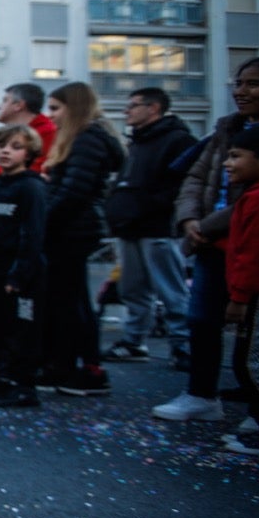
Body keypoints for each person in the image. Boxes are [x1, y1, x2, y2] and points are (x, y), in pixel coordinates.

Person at [158, 58, 259, 422]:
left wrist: (209, 223)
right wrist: (189, 220)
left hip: (246, 241)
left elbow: (251, 203)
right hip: (210, 243)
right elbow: (197, 177)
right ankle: (201, 394)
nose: (241, 91)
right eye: (239, 82)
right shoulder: (225, 129)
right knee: (202, 319)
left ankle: (254, 404)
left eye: (253, 84)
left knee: (252, 332)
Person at [40, 82, 125, 397]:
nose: (51, 117)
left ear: (73, 108)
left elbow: (74, 192)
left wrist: (42, 220)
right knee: (67, 301)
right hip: (71, 230)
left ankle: (84, 368)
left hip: (72, 231)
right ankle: (69, 365)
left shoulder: (87, 139)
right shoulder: (85, 139)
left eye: (56, 108)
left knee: (71, 303)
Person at [102, 87, 196, 366]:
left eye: (133, 105)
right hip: (131, 227)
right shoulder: (138, 142)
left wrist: (144, 207)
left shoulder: (177, 141)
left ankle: (183, 346)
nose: (126, 111)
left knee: (171, 289)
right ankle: (134, 341)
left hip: (157, 228)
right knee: (133, 289)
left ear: (153, 108)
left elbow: (180, 187)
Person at [0, 125, 48, 407]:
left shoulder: (32, 187)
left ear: (28, 153)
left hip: (20, 275)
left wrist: (19, 275)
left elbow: (33, 234)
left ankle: (23, 386)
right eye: (1, 145)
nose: (5, 151)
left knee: (21, 331)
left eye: (15, 147)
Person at [220, 126, 259, 454]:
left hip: (251, 295)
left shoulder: (257, 200)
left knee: (251, 362)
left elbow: (251, 255)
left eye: (235, 156)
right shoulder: (249, 196)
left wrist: (239, 297)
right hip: (248, 293)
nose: (226, 163)